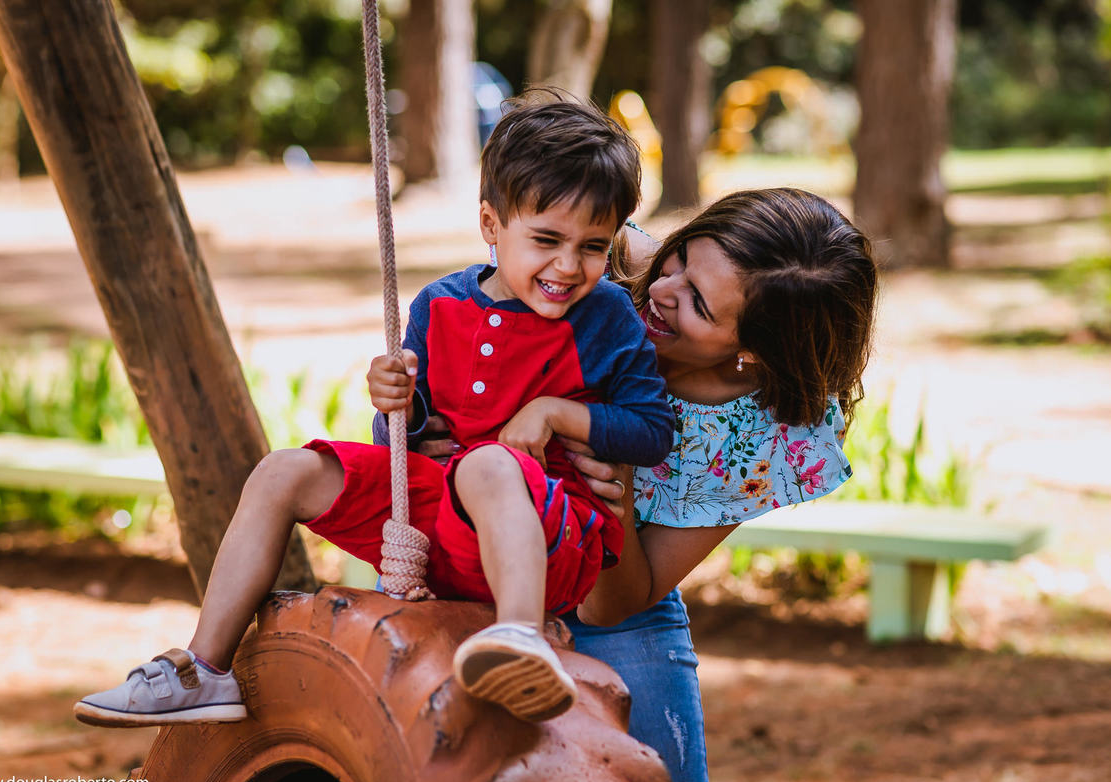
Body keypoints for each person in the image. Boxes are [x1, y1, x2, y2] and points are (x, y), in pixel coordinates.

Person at [73, 97, 674, 727]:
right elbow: (406, 443)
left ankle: (521, 641)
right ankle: (207, 668)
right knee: (285, 470)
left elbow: (652, 430)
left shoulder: (606, 316)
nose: (568, 266)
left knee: (490, 466)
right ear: (491, 224)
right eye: (546, 239)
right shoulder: (440, 304)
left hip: (550, 536)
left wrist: (558, 414)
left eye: (592, 247)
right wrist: (398, 407)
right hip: (436, 519)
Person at [404, 188, 878, 782]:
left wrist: (613, 486)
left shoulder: (771, 434)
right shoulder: (606, 260)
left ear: (753, 350)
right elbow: (524, 191)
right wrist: (416, 420)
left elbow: (614, 605)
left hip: (609, 601)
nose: (662, 290)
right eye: (680, 258)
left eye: (698, 305)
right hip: (465, 552)